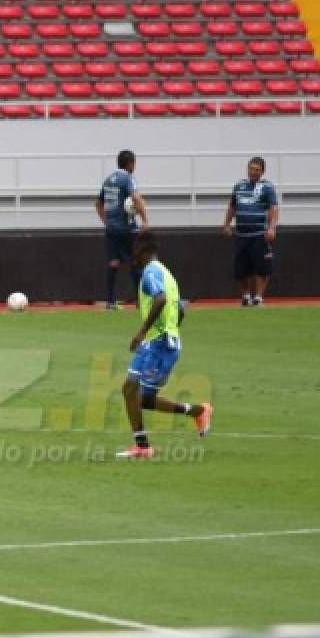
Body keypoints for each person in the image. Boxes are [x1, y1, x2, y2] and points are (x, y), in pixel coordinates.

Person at [117, 231, 212, 459]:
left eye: (134, 251)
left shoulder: (150, 273)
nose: (133, 256)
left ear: (141, 250)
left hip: (159, 343)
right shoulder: (167, 273)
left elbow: (160, 299)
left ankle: (198, 411)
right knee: (130, 389)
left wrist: (143, 332)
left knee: (143, 399)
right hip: (156, 341)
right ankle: (141, 445)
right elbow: (180, 309)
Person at [95, 150, 150, 309]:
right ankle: (141, 301)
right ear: (131, 164)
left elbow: (98, 204)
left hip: (111, 229)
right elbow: (136, 198)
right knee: (136, 263)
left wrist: (107, 222)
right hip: (127, 228)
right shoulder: (127, 178)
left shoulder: (108, 180)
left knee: (113, 263)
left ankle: (110, 302)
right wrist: (145, 220)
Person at [222, 156, 279, 307]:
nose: (253, 172)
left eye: (257, 169)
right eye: (251, 168)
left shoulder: (267, 187)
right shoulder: (239, 186)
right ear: (247, 169)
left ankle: (258, 297)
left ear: (263, 172)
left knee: (263, 267)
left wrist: (272, 227)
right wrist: (227, 224)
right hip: (241, 235)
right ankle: (246, 296)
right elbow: (232, 206)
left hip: (259, 234)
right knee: (240, 268)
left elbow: (273, 208)